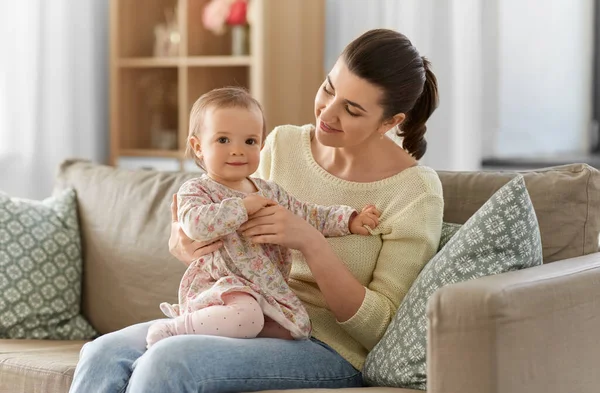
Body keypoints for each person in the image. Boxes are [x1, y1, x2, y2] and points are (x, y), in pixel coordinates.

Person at [69, 28, 444, 393]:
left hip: (327, 347)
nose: (327, 113)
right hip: (242, 313)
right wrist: (185, 242)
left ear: (390, 122)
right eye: (329, 88)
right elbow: (228, 216)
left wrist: (311, 242)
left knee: (170, 361)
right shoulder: (282, 144)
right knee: (103, 352)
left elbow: (380, 327)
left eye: (352, 110)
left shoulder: (414, 192)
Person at [145, 87, 380, 348]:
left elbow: (307, 215)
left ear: (262, 144)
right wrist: (242, 207)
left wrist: (347, 220)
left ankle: (222, 335)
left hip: (264, 288)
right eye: (223, 140)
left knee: (293, 329)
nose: (237, 151)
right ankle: (176, 329)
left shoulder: (269, 192)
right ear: (198, 147)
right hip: (221, 285)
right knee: (246, 316)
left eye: (249, 142)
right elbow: (195, 225)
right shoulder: (198, 190)